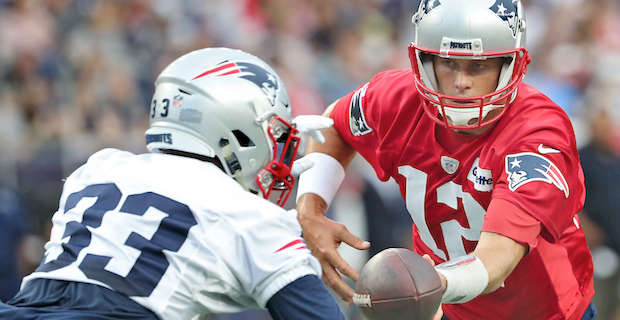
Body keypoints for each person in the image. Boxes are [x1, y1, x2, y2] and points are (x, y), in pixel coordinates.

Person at [295, 1, 596, 319]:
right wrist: (311, 208)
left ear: (511, 64)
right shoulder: (397, 99)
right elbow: (334, 125)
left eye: (478, 66)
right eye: (448, 63)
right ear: (424, 60)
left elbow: (498, 257)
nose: (460, 81)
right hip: (448, 307)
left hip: (544, 312)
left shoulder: (538, 133)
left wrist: (433, 283)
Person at [0, 48, 346, 320]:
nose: (280, 155)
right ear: (239, 129)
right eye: (276, 135)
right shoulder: (249, 215)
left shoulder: (98, 170)